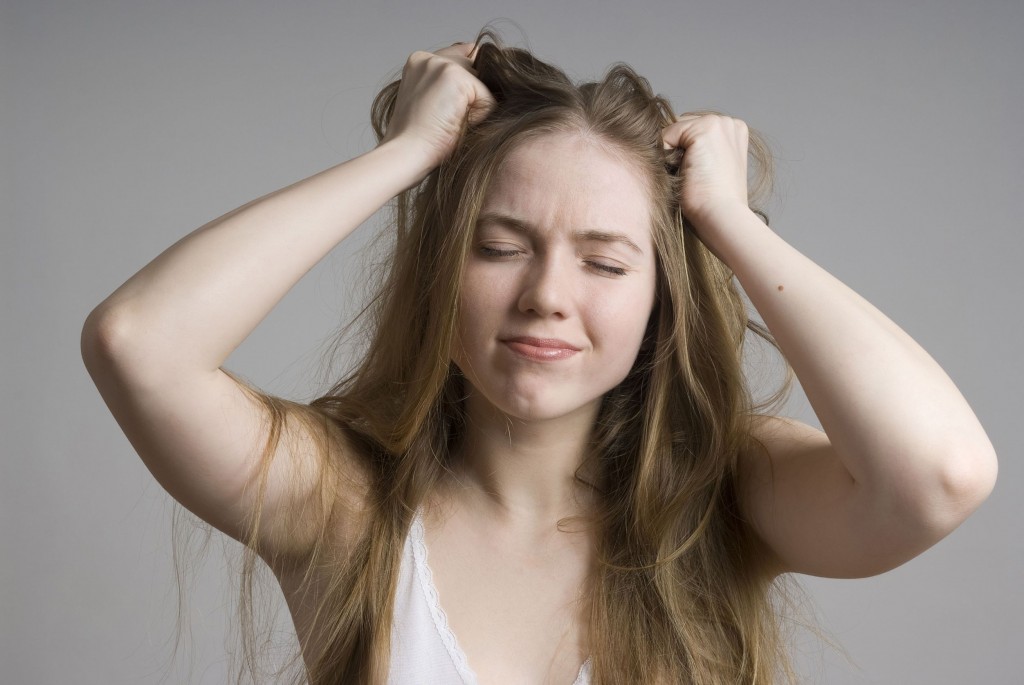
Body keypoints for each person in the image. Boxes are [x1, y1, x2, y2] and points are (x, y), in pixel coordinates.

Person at [81, 28, 997, 685]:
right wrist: (408, 156)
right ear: (443, 268)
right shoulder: (344, 504)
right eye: (499, 245)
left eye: (604, 260)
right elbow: (139, 344)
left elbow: (942, 473)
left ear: (659, 299)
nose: (548, 293)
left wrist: (726, 222)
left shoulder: (724, 496)